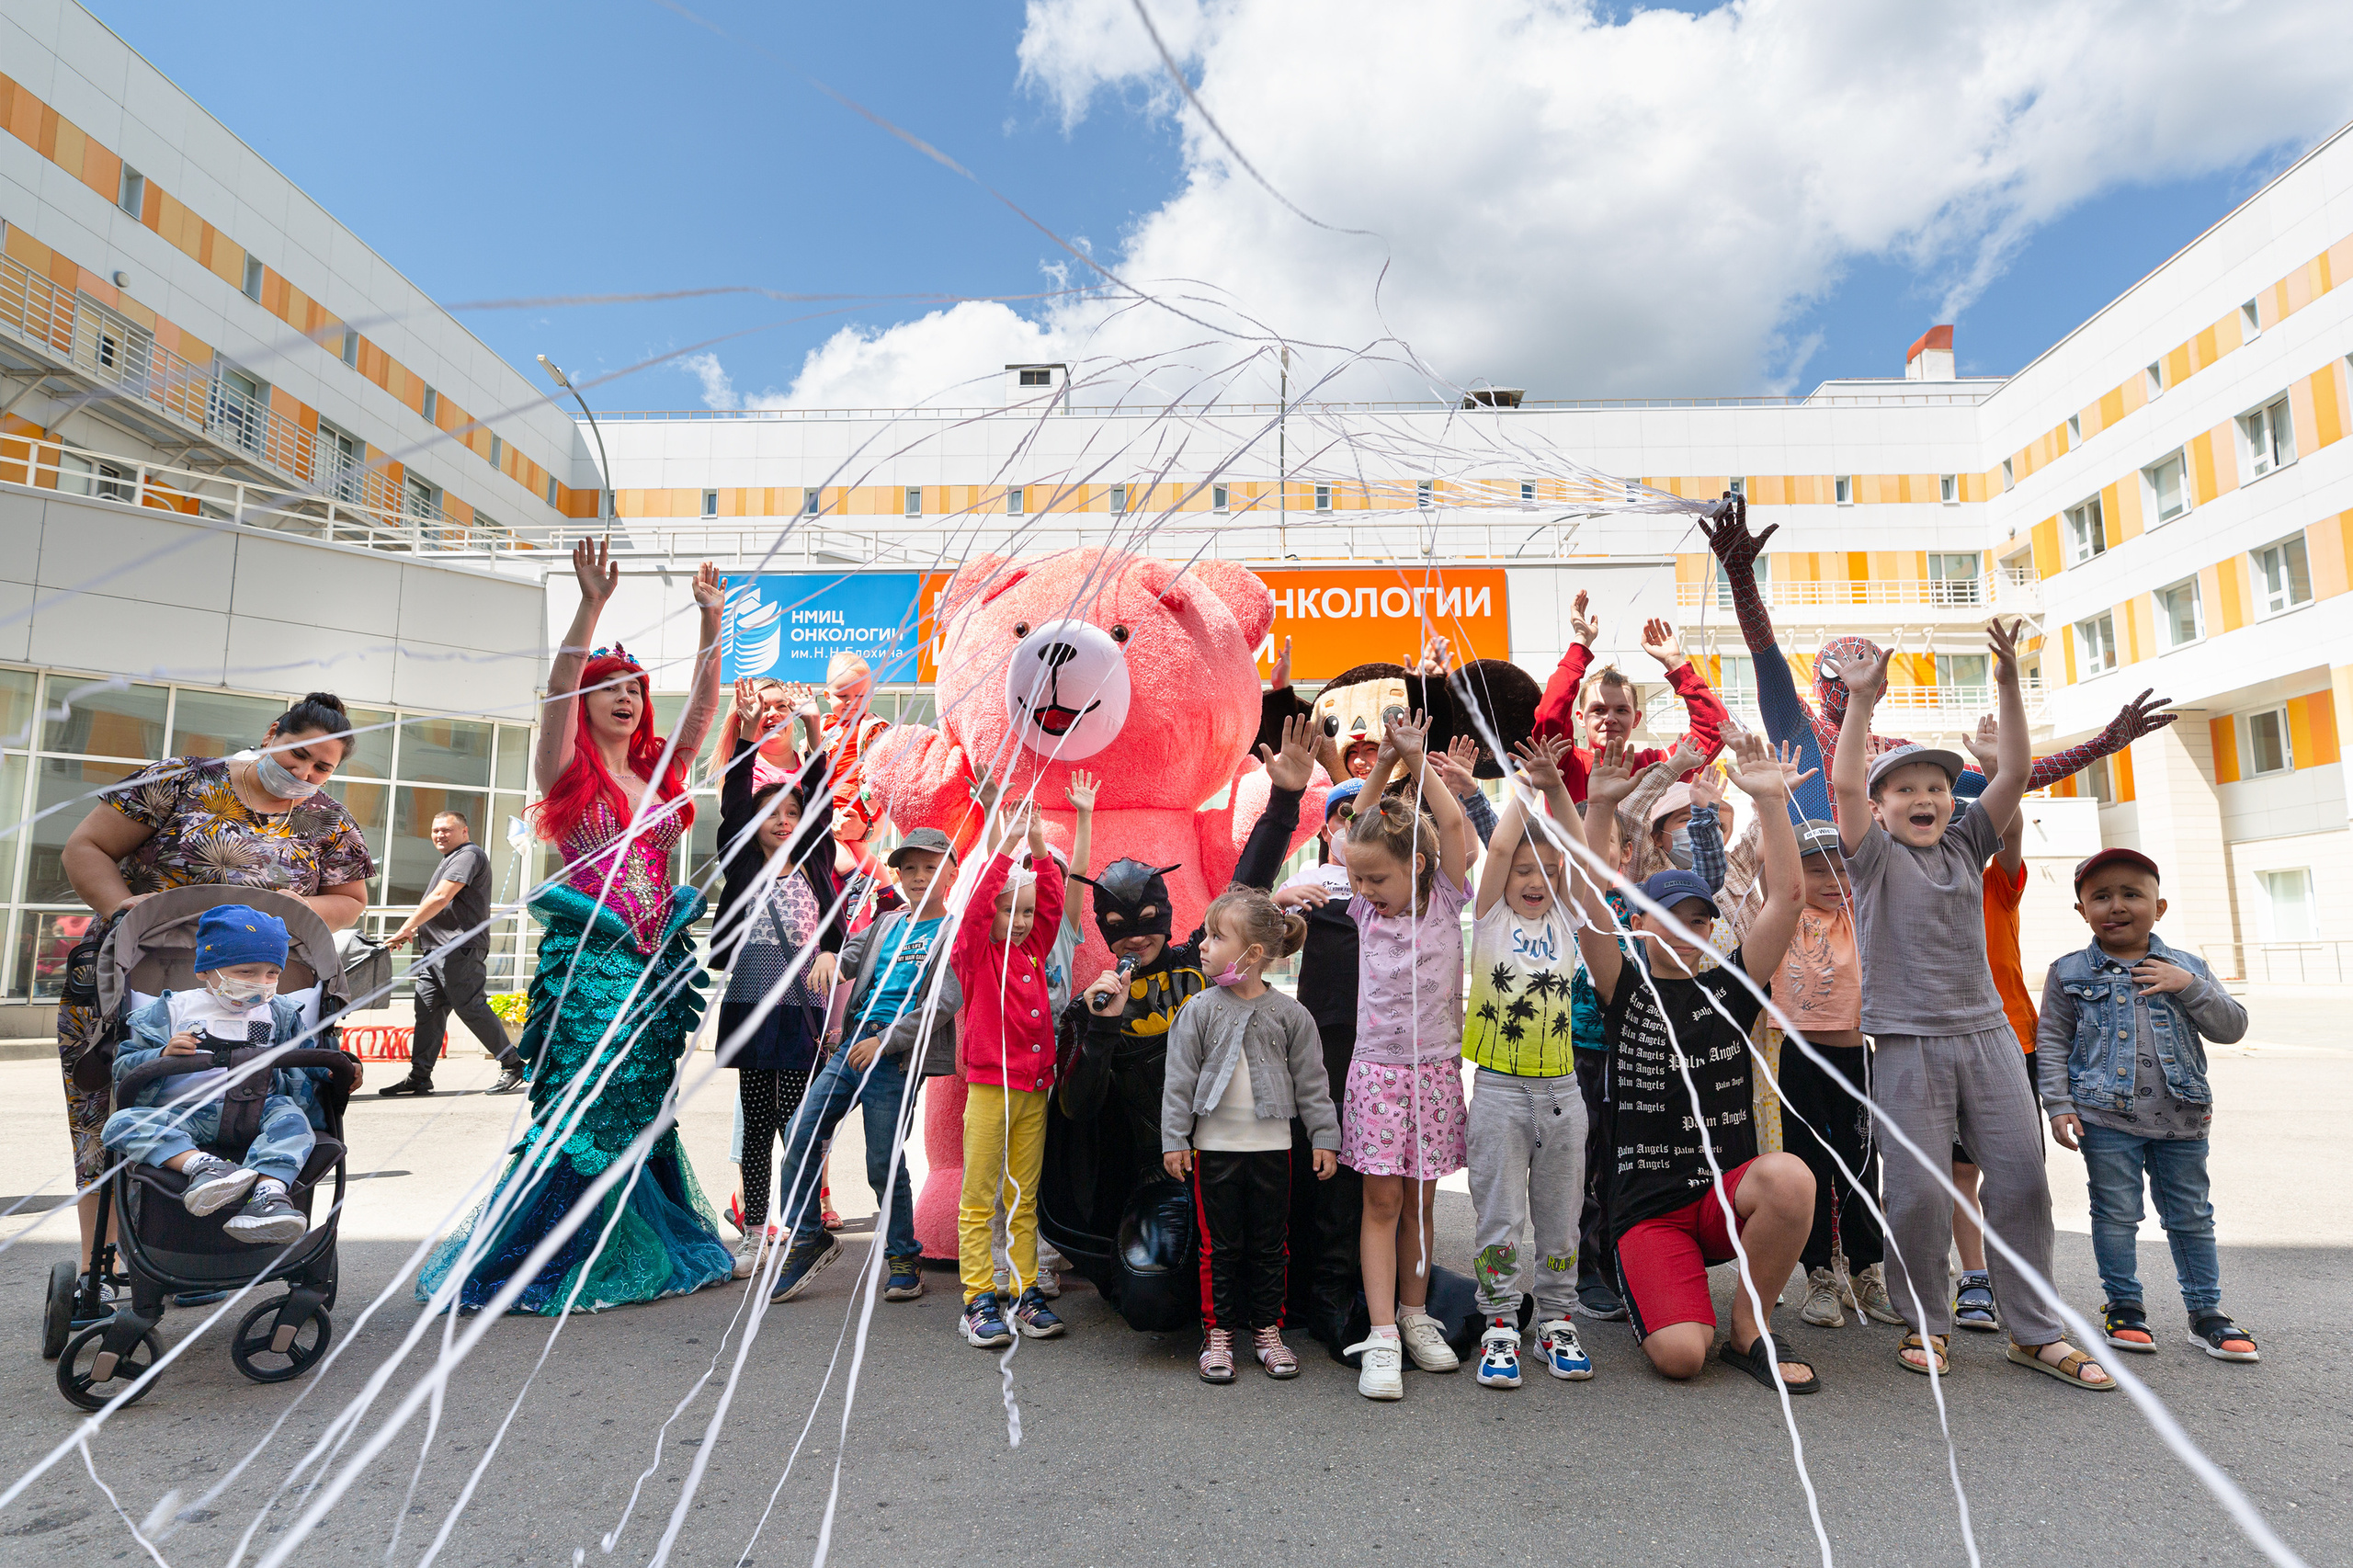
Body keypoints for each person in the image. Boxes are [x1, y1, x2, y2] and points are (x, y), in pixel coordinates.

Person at [416, 541, 737, 1314]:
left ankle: (639, 1232)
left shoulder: (658, 775)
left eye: (634, 690)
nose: (625, 699)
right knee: (589, 1097)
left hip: (657, 964)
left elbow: (701, 711)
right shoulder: (565, 773)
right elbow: (557, 691)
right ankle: (568, 1247)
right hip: (591, 961)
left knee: (641, 1095)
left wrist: (712, 624)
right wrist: (590, 607)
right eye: (610, 689)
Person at [1833, 626, 2112, 1390]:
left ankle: (2035, 1331)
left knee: (2022, 1181)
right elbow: (1847, 786)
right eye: (1905, 790)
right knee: (1919, 1193)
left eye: (1935, 787)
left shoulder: (1965, 846)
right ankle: (1926, 1321)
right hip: (1907, 1042)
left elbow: (2015, 771)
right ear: (1881, 809)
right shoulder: (1873, 859)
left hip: (1989, 1036)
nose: (1924, 798)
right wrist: (1860, 702)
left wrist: (2010, 680)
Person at [57, 692, 374, 1272]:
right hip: (136, 975)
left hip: (260, 987)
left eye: (321, 767)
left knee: (268, 1111)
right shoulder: (180, 781)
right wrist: (122, 907)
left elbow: (351, 900)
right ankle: (100, 1264)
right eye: (298, 755)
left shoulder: (327, 820)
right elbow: (87, 847)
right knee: (104, 1124)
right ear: (273, 733)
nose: (304, 774)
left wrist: (300, 906)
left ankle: (196, 1254)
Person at [1568, 733, 1821, 1393]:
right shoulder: (1622, 986)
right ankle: (1664, 1291)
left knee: (1791, 1179)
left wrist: (1771, 802)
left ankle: (1750, 1328)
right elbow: (1586, 901)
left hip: (1720, 1199)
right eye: (1667, 916)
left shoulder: (1732, 987)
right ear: (1639, 922)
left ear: (1712, 929)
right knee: (1681, 1357)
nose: (1685, 930)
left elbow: (1788, 900)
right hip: (1648, 1212)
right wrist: (1600, 807)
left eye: (1698, 920)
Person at [1702, 494, 2177, 822]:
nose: (1849, 684)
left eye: (1862, 673)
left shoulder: (1905, 759)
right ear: (1817, 683)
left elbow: (2009, 781)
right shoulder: (1798, 730)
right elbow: (1767, 659)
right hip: (1810, 904)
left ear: (1882, 685)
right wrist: (1741, 578)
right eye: (1837, 673)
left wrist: (2101, 746)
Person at [2038, 848, 2258, 1363]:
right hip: (2104, 1119)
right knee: (2115, 1214)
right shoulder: (2069, 972)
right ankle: (2124, 1306)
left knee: (2190, 1216)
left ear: (2158, 907)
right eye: (2101, 896)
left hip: (2183, 1117)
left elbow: (2232, 1028)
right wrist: (2058, 1104)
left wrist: (2191, 988)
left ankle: (2206, 1313)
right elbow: (2051, 1042)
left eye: (2131, 894)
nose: (2116, 905)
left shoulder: (2188, 967)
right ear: (2082, 911)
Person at [767, 827, 961, 1304]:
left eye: (931, 868)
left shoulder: (953, 933)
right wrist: (830, 957)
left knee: (882, 1162)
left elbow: (943, 1002)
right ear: (898, 876)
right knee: (799, 1132)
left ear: (951, 875)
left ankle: (903, 1256)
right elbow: (849, 957)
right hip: (852, 1046)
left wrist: (885, 1041)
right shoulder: (886, 924)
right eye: (910, 868)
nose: (919, 877)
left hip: (893, 1059)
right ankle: (808, 1238)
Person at [1338, 710, 1472, 1401]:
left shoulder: (1445, 897)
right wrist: (1387, 762)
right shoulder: (1365, 911)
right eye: (1358, 880)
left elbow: (1452, 826)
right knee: (1382, 1198)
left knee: (1420, 1200)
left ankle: (1417, 1315)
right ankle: (1383, 1332)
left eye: (1376, 880)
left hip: (1435, 1071)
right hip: (1378, 1073)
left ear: (1415, 866)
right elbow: (1354, 828)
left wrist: (1419, 760)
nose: (1363, 891)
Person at [1162, 888, 1338, 1382]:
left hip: (1273, 1149)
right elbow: (1178, 1081)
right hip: (1213, 1149)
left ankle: (1267, 1331)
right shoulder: (1198, 1009)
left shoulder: (1291, 1014)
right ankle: (1218, 1334)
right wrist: (1175, 1138)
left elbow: (1313, 1082)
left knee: (1269, 1245)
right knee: (1217, 1248)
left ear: (1253, 953)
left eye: (1217, 937)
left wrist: (1324, 1135)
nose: (1202, 945)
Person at [101, 904, 352, 1245]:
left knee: (294, 1120)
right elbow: (124, 1068)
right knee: (120, 1124)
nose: (260, 984)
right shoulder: (169, 1010)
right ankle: (203, 1167)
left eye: (272, 974)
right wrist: (161, 1054)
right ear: (205, 970)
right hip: (183, 1111)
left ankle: (268, 1195)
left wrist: (340, 1067)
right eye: (246, 972)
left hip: (259, 1107)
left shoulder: (279, 1013)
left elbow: (307, 1056)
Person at [1463, 733, 1594, 1389]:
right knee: (1500, 1219)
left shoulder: (1568, 920)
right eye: (1523, 870)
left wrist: (1558, 787)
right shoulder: (1489, 917)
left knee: (1560, 1218)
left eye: (1547, 870)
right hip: (1497, 1091)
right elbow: (1497, 850)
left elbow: (1582, 855)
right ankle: (1499, 1323)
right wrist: (1524, 787)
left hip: (1562, 1094)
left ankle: (1557, 1320)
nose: (1535, 880)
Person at [710, 698, 840, 1278]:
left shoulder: (815, 864)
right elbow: (735, 803)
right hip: (751, 1007)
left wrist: (813, 730)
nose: (785, 821)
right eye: (772, 815)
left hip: (802, 1011)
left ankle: (807, 1228)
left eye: (792, 812)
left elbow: (822, 803)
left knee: (799, 1122)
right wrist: (744, 733)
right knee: (757, 1124)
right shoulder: (744, 867)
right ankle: (757, 1232)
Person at [951, 803, 1068, 1348]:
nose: (1020, 921)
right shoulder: (975, 954)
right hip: (989, 1089)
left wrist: (1039, 847)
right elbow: (979, 905)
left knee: (1025, 1196)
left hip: (1033, 1090)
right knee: (980, 1196)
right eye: (1009, 911)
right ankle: (977, 1299)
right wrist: (1005, 850)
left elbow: (1052, 905)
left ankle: (1025, 1294)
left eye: (1026, 912)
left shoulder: (1034, 948)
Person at [1274, 777, 1367, 1349]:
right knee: (1321, 1144)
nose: (1351, 825)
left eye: (1363, 815)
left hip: (1376, 1032)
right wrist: (1281, 903)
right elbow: (1257, 922)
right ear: (1327, 827)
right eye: (1343, 815)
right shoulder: (1308, 877)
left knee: (1358, 1153)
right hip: (1320, 1030)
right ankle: (1310, 1282)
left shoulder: (1384, 881)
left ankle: (1352, 1278)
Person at [1954, 713, 2040, 1332]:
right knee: (1961, 1171)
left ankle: (2023, 1283)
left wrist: (1994, 772)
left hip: (2014, 1039)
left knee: (2016, 1172)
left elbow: (2009, 832)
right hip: (1950, 1040)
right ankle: (1975, 1276)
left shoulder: (1996, 884)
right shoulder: (1912, 881)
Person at [1530, 594, 1727, 803]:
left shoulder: (1655, 766)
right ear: (1580, 717)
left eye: (1621, 710)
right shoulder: (1563, 761)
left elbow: (1715, 729)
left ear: (1636, 718)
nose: (1610, 718)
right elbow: (1550, 716)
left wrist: (1675, 662)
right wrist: (1581, 642)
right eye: (1598, 710)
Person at [381, 811, 524, 1096]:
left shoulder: (468, 854)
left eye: (447, 829)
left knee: (470, 1006)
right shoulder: (451, 858)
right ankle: (420, 1077)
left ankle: (513, 1064)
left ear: (464, 831)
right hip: (435, 950)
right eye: (435, 830)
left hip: (459, 947)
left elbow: (441, 896)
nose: (439, 835)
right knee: (428, 1011)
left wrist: (406, 927)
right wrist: (416, 930)